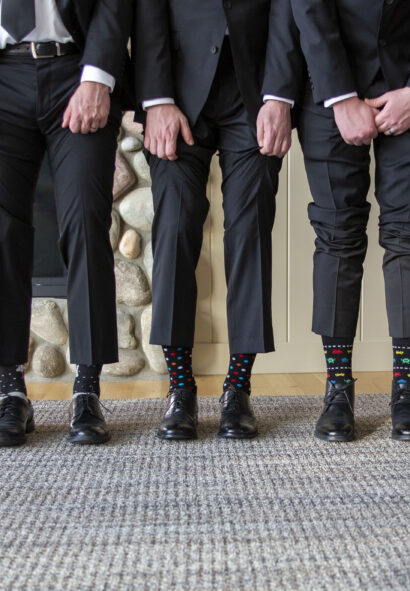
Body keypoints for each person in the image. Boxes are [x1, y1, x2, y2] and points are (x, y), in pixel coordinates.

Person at [0, 0, 133, 447]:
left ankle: (87, 389)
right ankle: (10, 392)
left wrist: (99, 75)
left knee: (85, 221)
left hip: (77, 70)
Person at [291, 0, 410, 442]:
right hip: (329, 95)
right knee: (336, 237)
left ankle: (406, 391)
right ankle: (338, 390)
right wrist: (340, 97)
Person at [134, 0, 304, 440]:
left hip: (255, 94)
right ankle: (180, 388)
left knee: (249, 232)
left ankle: (238, 387)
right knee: (173, 227)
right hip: (177, 94)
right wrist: (157, 99)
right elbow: (147, 14)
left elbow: (287, 10)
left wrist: (280, 96)